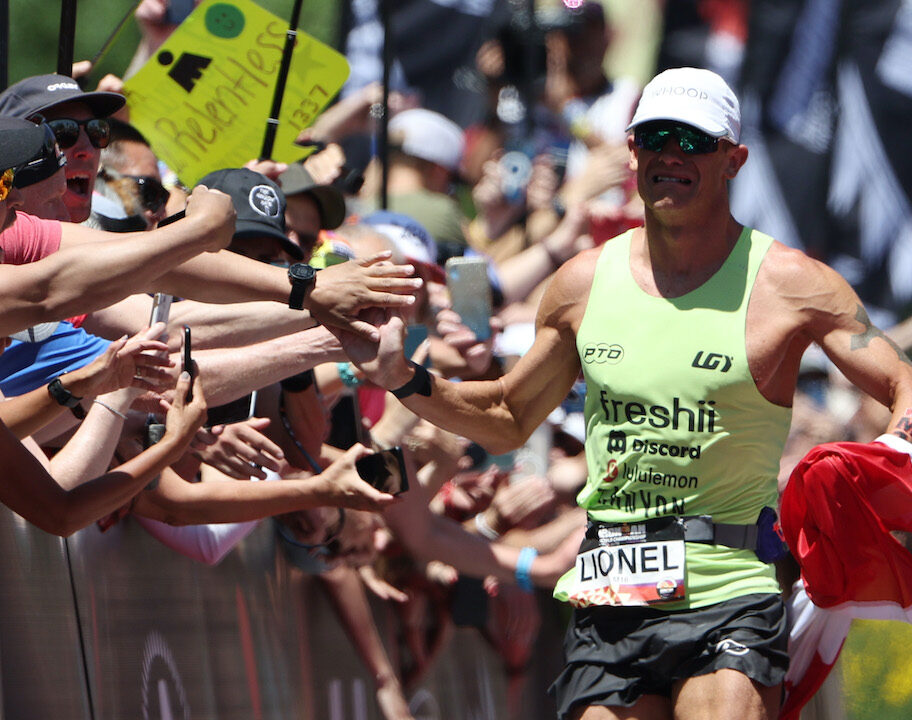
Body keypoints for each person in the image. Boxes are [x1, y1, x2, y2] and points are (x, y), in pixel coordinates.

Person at [335, 67, 912, 720]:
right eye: (655, 137)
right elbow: (505, 417)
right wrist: (407, 380)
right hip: (612, 585)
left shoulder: (792, 283)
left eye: (693, 141)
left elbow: (900, 380)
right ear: (632, 153)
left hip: (728, 585)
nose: (671, 153)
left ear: (734, 160)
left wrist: (898, 444)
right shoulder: (582, 283)